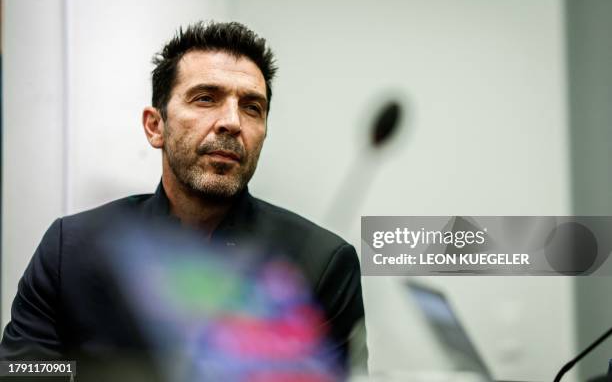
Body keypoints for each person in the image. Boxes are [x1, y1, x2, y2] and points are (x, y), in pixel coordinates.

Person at [0, 21, 365, 372]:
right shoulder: (72, 248)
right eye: (206, 99)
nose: (232, 122)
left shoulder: (321, 263)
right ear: (155, 126)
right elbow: (23, 370)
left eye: (252, 107)